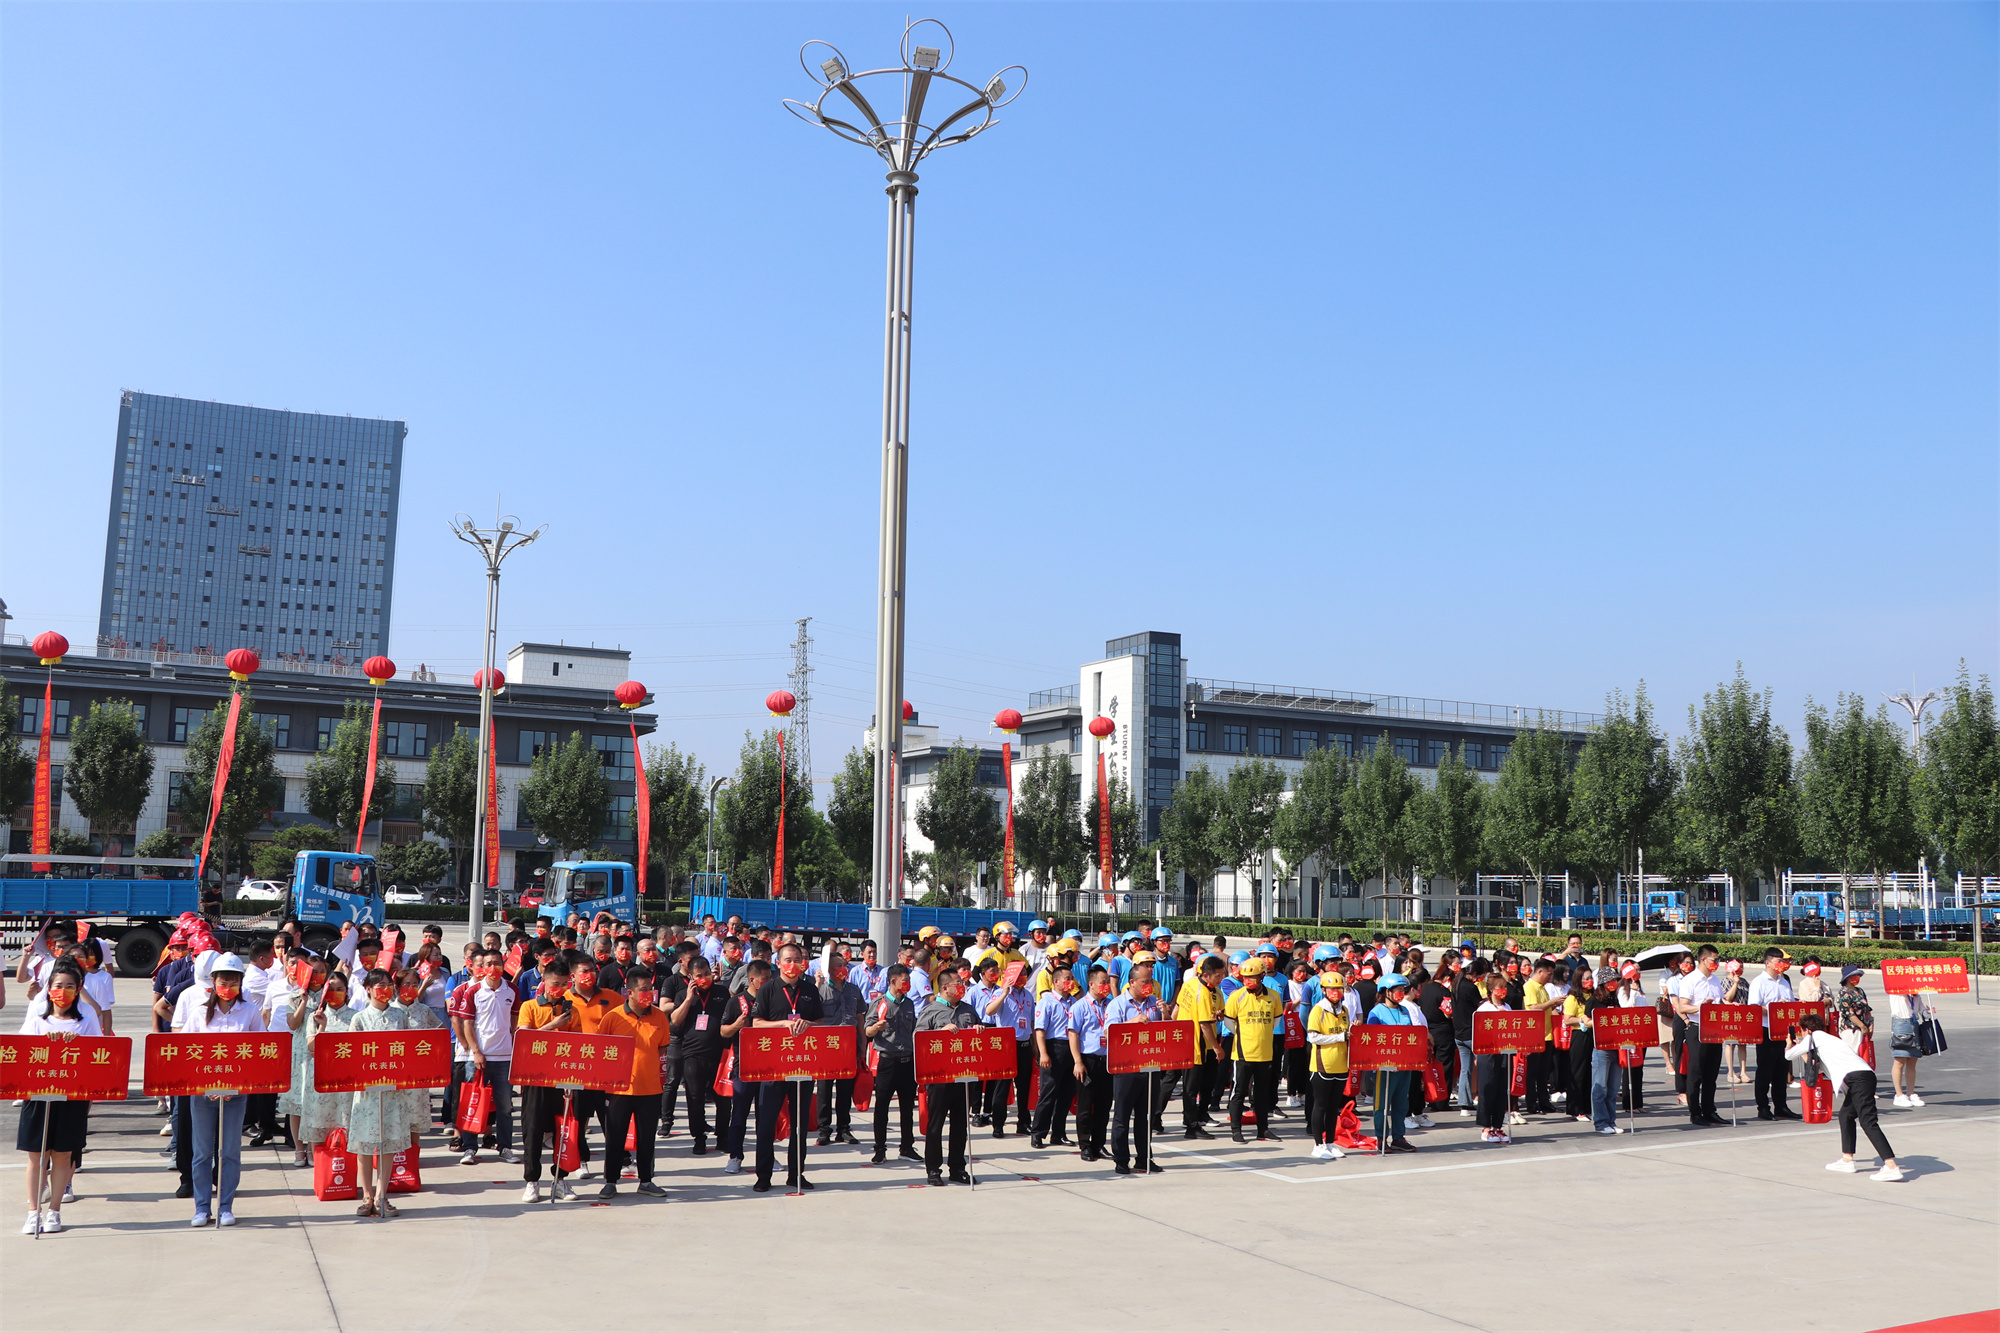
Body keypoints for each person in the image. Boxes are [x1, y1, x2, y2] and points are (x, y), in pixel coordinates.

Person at [182, 954, 267, 1226]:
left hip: (235, 1094)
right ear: (213, 982)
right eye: (223, 981)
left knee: (230, 1152)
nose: (227, 986)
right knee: (202, 1152)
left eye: (233, 981)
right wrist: (206, 1086)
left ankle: (226, 1206)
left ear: (241, 983)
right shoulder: (198, 1011)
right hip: (203, 1093)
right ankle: (202, 1207)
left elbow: (260, 1052)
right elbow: (185, 1052)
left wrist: (237, 1085)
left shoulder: (250, 1011)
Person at [17, 961, 99, 1235]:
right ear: (49, 989)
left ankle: (54, 1211)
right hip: (38, 1097)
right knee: (37, 1155)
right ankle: (33, 1211)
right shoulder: (37, 1020)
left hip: (71, 1097)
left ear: (78, 990)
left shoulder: (86, 1020)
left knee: (63, 1154)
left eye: (69, 987)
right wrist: (45, 1041)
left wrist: (76, 1043)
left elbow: (99, 1055)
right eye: (58, 986)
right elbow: (19, 1055)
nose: (63, 991)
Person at [1788, 1013, 1902, 1181]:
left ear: (1806, 1030)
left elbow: (1788, 1056)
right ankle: (1847, 1159)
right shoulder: (1831, 1039)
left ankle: (1891, 1165)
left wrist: (1789, 1045)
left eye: (1802, 1031)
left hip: (1857, 1079)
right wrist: (1806, 1052)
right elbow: (1819, 1069)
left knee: (1868, 1121)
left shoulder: (1813, 1037)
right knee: (1846, 1115)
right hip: (1865, 1077)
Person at [751, 944, 823, 1193]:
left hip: (802, 1067)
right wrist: (783, 1024)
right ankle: (763, 1175)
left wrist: (807, 1024)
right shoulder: (767, 990)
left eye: (797, 960)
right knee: (766, 1123)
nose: (793, 964)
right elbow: (756, 1024)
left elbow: (820, 1022)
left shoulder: (810, 990)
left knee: (800, 1124)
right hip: (773, 1066)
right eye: (787, 960)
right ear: (778, 963)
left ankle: (796, 1174)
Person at [598, 968, 672, 1198]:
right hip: (618, 1088)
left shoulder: (659, 1016)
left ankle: (646, 1181)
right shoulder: (613, 1017)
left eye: (650, 988)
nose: (648, 993)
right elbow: (601, 1050)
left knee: (647, 1138)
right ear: (629, 992)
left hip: (649, 1089)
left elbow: (662, 1048)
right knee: (615, 1137)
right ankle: (611, 1181)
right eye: (643, 990)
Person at [515, 959, 582, 1203]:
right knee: (532, 1130)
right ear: (544, 981)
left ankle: (560, 1179)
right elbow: (523, 1038)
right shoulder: (530, 1007)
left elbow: (578, 1044)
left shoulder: (571, 1009)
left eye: (565, 984)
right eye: (555, 984)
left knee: (562, 1131)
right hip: (534, 1077)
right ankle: (532, 1181)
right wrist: (553, 1025)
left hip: (562, 1078)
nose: (560, 988)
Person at [346, 968, 411, 1218]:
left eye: (388, 984)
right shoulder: (359, 1019)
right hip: (366, 1092)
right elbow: (352, 1054)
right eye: (379, 985)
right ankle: (366, 1196)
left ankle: (383, 1195)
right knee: (365, 1143)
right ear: (368, 989)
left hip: (393, 1090)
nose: (384, 989)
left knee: (388, 1142)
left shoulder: (399, 1016)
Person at [450, 949, 518, 1166]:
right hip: (478, 1058)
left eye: (497, 963)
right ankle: (469, 1147)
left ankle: (505, 1146)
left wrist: (515, 1049)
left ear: (504, 964)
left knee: (505, 1107)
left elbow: (515, 1023)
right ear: (481, 967)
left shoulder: (512, 991)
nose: (493, 967)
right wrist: (476, 1051)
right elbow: (467, 1024)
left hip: (504, 1057)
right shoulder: (474, 991)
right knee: (472, 1103)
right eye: (488, 963)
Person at [913, 969, 979, 1185]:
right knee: (936, 1124)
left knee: (960, 1125)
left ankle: (958, 1167)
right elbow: (919, 1039)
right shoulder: (931, 1010)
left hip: (963, 1076)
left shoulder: (968, 1009)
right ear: (944, 988)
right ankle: (933, 1169)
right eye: (957, 983)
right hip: (939, 1078)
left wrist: (979, 1029)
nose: (962, 986)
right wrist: (940, 1031)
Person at [1105, 958, 1165, 1175]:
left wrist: (1165, 1013)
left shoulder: (1153, 1002)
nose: (1148, 985)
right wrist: (1132, 1023)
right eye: (1144, 981)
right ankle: (1121, 1159)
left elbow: (1165, 1034)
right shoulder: (1118, 1004)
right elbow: (1108, 1032)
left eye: (1150, 981)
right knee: (1122, 1116)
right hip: (1126, 1068)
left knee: (1146, 1116)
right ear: (1132, 982)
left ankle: (1144, 1158)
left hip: (1149, 1067)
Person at [865, 964, 922, 1166]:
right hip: (887, 1062)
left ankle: (906, 1147)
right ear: (893, 982)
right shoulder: (879, 1003)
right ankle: (880, 1148)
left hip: (907, 1061)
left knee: (907, 1108)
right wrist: (875, 1027)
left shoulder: (909, 1004)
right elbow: (867, 1032)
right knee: (882, 1106)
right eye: (904, 981)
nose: (907, 984)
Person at [1224, 957, 1284, 1143]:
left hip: (1265, 1054)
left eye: (1253, 977)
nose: (1248, 980)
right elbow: (1229, 1022)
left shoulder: (1274, 996)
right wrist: (1247, 1036)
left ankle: (1263, 1130)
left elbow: (1276, 1021)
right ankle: (1236, 1130)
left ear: (1262, 976)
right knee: (1238, 1092)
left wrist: (1261, 1034)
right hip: (1243, 1054)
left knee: (1262, 1094)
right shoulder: (1237, 996)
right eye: (1245, 977)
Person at [816, 952, 865, 1146]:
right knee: (824, 1089)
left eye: (844, 964)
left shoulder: (853, 989)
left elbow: (860, 1018)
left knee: (846, 1089)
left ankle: (843, 1128)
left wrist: (862, 1046)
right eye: (837, 965)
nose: (842, 968)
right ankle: (824, 1129)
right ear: (829, 969)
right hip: (827, 1047)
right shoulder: (820, 989)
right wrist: (817, 985)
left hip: (848, 1046)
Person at [1675, 945, 1727, 1127]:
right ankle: (1695, 1112)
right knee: (1696, 1073)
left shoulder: (1714, 980)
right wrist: (1701, 1008)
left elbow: (1721, 1001)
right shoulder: (1690, 980)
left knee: (1711, 1074)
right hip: (1697, 1028)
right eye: (1714, 960)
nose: (1717, 964)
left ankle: (1710, 1110)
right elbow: (1682, 1006)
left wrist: (1729, 1004)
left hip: (1715, 1030)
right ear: (1704, 960)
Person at [1067, 965, 1115, 1162]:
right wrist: (1078, 1061)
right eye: (1103, 983)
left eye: (1107, 983)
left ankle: (1099, 1144)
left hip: (1108, 1061)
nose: (1106, 987)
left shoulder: (1111, 1005)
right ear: (1092, 984)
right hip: (1088, 1060)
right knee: (1086, 1106)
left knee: (1104, 1106)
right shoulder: (1079, 1006)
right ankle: (1085, 1145)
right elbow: (1073, 1034)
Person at [1366, 975, 1418, 1153]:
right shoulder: (1376, 1012)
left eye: (1403, 990)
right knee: (1382, 1104)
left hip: (1404, 1064)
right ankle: (1381, 1138)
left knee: (1401, 1102)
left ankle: (1398, 1137)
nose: (1401, 994)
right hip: (1385, 1066)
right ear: (1386, 992)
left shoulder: (1404, 1010)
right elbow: (1372, 1039)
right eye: (1397, 991)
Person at [1177, 954, 1226, 1139]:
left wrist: (1220, 1014)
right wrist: (1217, 1048)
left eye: (1222, 974)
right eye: (1218, 975)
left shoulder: (1200, 986)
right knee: (1191, 1087)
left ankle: (1200, 1116)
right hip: (1196, 1043)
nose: (1221, 978)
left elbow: (1217, 1013)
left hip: (1198, 1043)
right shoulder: (1202, 992)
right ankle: (1191, 1125)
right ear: (1206, 975)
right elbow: (1205, 1025)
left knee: (1206, 1083)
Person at [1747, 948, 1799, 1121]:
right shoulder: (1759, 982)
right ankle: (1763, 1107)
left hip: (1784, 1031)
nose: (1781, 965)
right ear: (1768, 962)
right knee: (1765, 1070)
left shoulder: (1784, 982)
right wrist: (1773, 1009)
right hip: (1766, 1030)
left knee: (1781, 1070)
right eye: (1778, 962)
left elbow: (1791, 1005)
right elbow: (1754, 1007)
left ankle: (1781, 1106)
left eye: (1782, 962)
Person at [1030, 965, 1078, 1149]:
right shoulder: (1047, 1001)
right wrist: (1043, 1053)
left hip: (1072, 1048)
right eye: (1066, 978)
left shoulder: (1075, 1002)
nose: (1070, 982)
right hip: (1053, 1047)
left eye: (1071, 978)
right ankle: (1038, 1133)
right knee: (1048, 1093)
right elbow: (1040, 1030)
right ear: (1056, 981)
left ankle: (1058, 1133)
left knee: (1066, 1095)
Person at [1304, 971, 1350, 1160]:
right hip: (1323, 1065)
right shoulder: (1318, 1010)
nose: (1336, 992)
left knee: (1333, 1107)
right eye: (1331, 989)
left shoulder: (1344, 1010)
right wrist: (1340, 1037)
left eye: (1339, 988)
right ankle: (1318, 1144)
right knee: (1320, 1105)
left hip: (1341, 1064)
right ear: (1323, 990)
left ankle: (1330, 1142)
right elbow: (1313, 1036)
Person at [1583, 968, 1625, 1135]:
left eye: (1615, 980)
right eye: (1611, 980)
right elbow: (1585, 1022)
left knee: (1613, 1088)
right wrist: (1602, 1019)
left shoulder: (1614, 999)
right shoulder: (1594, 1000)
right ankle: (1600, 1122)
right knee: (1600, 1088)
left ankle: (1611, 1120)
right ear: (1603, 983)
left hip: (1616, 1047)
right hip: (1601, 1048)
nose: (1613, 983)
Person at [1474, 976, 1514, 1145]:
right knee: (1487, 1089)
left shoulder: (1508, 1007)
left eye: (1504, 987)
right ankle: (1486, 1127)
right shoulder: (1484, 1008)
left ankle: (1498, 1125)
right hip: (1488, 1053)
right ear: (1491, 990)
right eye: (1499, 987)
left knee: (1501, 1089)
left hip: (1504, 1052)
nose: (1502, 990)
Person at [1452, 958, 1486, 1117]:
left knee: (1466, 1069)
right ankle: (1484, 1099)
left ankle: (1464, 1104)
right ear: (1474, 974)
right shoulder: (1470, 987)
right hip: (1472, 1033)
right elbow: (1479, 1008)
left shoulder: (1456, 984)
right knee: (1485, 1066)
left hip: (1459, 1033)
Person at [1886, 987, 1929, 1108]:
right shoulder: (1896, 994)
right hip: (1901, 1024)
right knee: (1900, 1060)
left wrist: (1929, 1012)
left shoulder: (1916, 997)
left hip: (1914, 1025)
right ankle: (1899, 1095)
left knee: (1912, 1061)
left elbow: (1923, 1012)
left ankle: (1911, 1093)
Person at [1836, 965, 1875, 1058]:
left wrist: (1870, 1024)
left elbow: (1867, 1009)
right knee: (1852, 1055)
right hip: (1852, 1029)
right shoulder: (1844, 993)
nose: (1857, 978)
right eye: (1855, 975)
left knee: (1863, 1055)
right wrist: (1861, 1026)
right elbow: (1849, 1013)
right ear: (1848, 978)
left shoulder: (1860, 991)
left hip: (1864, 1029)